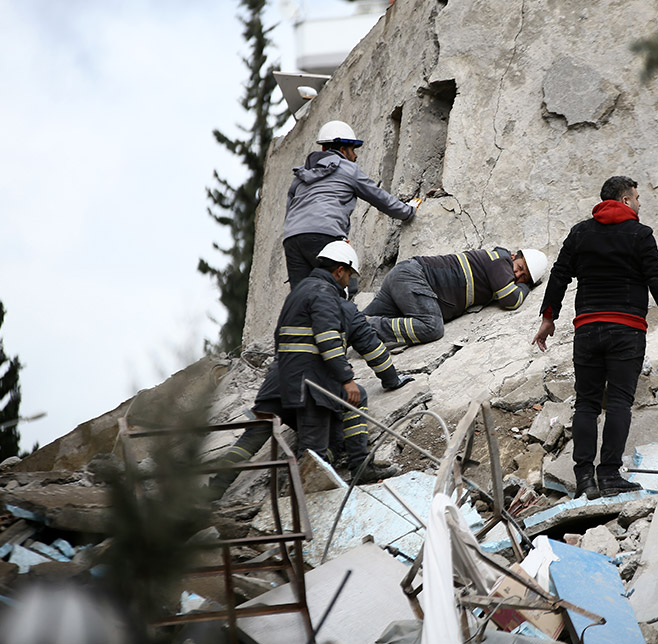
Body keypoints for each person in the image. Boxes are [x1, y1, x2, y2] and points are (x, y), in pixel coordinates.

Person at [209, 241, 414, 498]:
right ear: (339, 270)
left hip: (278, 380)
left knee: (251, 438)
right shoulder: (330, 298)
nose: (348, 282)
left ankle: (213, 491)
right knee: (319, 446)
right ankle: (338, 479)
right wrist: (371, 380)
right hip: (310, 385)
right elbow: (335, 340)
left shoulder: (299, 292)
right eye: (349, 275)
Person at [531, 176, 658, 499]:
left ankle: (585, 477)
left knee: (587, 403)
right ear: (626, 200)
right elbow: (657, 279)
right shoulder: (640, 235)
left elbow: (559, 274)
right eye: (638, 197)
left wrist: (549, 318)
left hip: (587, 329)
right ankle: (609, 474)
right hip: (627, 331)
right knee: (618, 402)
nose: (640, 204)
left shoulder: (580, 234)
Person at [283, 120, 418, 288]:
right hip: (325, 233)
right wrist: (408, 211)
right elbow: (379, 197)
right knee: (343, 285)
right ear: (342, 150)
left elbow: (290, 209)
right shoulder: (348, 169)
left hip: (292, 238)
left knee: (301, 296)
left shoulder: (302, 174)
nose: (355, 156)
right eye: (352, 150)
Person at [363, 247, 549, 346]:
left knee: (352, 324)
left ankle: (359, 325)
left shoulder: (500, 267)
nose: (517, 275)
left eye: (523, 277)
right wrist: (526, 285)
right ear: (515, 255)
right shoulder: (500, 261)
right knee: (432, 327)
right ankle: (371, 325)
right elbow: (511, 300)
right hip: (414, 277)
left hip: (407, 278)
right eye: (520, 268)